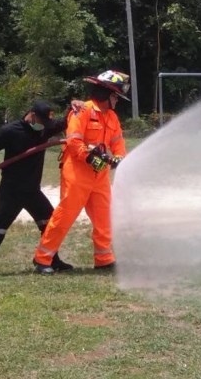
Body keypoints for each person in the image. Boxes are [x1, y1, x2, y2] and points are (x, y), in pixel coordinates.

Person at [33, 71, 129, 275]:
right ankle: (42, 258)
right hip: (77, 172)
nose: (117, 101)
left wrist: (119, 157)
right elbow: (74, 140)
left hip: (99, 175)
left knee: (104, 217)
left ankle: (103, 258)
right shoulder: (82, 111)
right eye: (115, 96)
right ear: (105, 93)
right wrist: (89, 157)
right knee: (65, 216)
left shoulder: (112, 116)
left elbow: (118, 142)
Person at [0, 100, 80, 271]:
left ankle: (50, 260)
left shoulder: (45, 129)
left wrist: (74, 105)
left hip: (33, 191)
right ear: (32, 116)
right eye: (42, 121)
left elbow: (65, 121)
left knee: (50, 224)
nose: (44, 126)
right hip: (11, 191)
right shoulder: (10, 131)